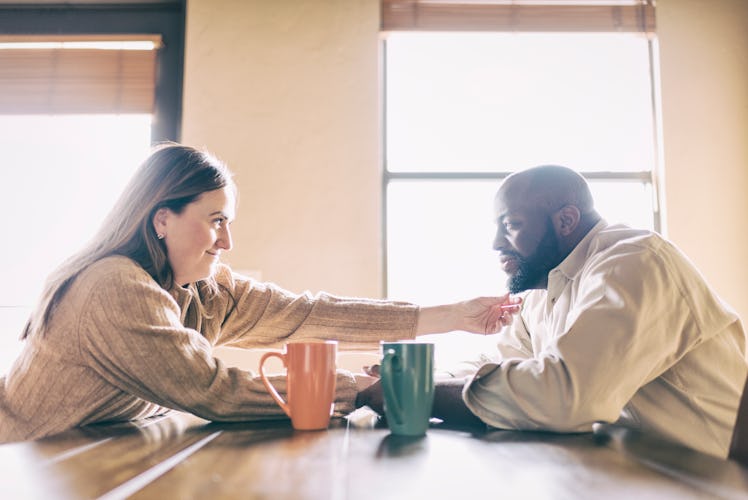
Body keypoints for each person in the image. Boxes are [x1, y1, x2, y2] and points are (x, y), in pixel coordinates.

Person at [0, 143, 519, 444]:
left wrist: (452, 315)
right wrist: (353, 391)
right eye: (215, 221)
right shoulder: (114, 287)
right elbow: (214, 391)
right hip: (25, 463)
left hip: (89, 456)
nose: (227, 241)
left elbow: (309, 314)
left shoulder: (202, 289)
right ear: (162, 219)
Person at [357, 165, 748, 458]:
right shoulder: (545, 288)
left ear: (566, 220)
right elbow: (504, 362)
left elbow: (564, 397)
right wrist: (415, 377)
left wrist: (415, 395)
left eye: (510, 225)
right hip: (622, 468)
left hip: (704, 478)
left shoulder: (634, 263)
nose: (496, 242)